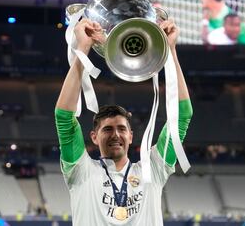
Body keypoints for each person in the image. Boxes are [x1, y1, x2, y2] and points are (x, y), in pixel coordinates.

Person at [55, 17, 193, 225]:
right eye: (107, 129)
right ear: (94, 136)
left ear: (131, 135)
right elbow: (63, 117)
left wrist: (170, 50)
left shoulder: (152, 171)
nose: (116, 134)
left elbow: (182, 117)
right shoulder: (81, 171)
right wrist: (83, 49)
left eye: (121, 128)